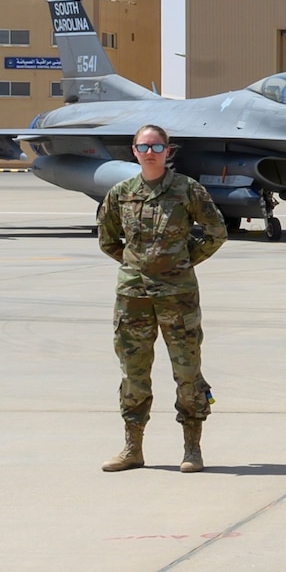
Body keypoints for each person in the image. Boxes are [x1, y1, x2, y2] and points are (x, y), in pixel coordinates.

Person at [95, 123, 228, 473]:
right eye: (144, 147)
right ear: (134, 151)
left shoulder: (187, 191)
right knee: (133, 373)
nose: (150, 153)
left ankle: (192, 448)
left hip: (178, 299)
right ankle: (132, 448)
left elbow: (216, 232)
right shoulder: (121, 193)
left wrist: (181, 263)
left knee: (187, 372)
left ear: (168, 152)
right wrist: (136, 267)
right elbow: (108, 239)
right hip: (133, 298)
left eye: (157, 147)